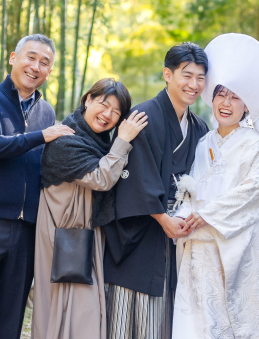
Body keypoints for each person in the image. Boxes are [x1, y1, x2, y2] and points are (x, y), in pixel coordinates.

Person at [0, 34, 75, 339]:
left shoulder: (46, 112)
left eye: (44, 62)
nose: (35, 66)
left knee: (12, 315)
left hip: (27, 230)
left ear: (49, 72)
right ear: (13, 58)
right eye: (30, 57)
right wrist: (41, 137)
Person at [96, 43, 210, 339]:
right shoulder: (143, 116)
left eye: (200, 77)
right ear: (167, 74)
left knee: (163, 317)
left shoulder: (199, 127)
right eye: (187, 75)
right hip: (141, 231)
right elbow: (137, 175)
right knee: (127, 319)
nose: (194, 84)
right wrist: (162, 218)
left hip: (178, 234)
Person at [172, 33, 259, 339]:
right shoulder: (204, 142)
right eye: (220, 94)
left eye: (234, 97)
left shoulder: (253, 143)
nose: (226, 103)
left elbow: (255, 194)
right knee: (199, 321)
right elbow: (191, 186)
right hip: (200, 247)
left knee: (235, 323)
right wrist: (185, 214)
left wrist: (208, 215)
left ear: (246, 105)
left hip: (235, 247)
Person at [31, 79, 148, 339]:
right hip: (63, 238)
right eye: (103, 105)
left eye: (116, 112)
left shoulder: (97, 141)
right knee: (66, 309)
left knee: (82, 312)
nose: (107, 115)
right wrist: (123, 140)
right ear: (88, 100)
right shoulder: (66, 138)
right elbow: (100, 178)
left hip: (83, 235)